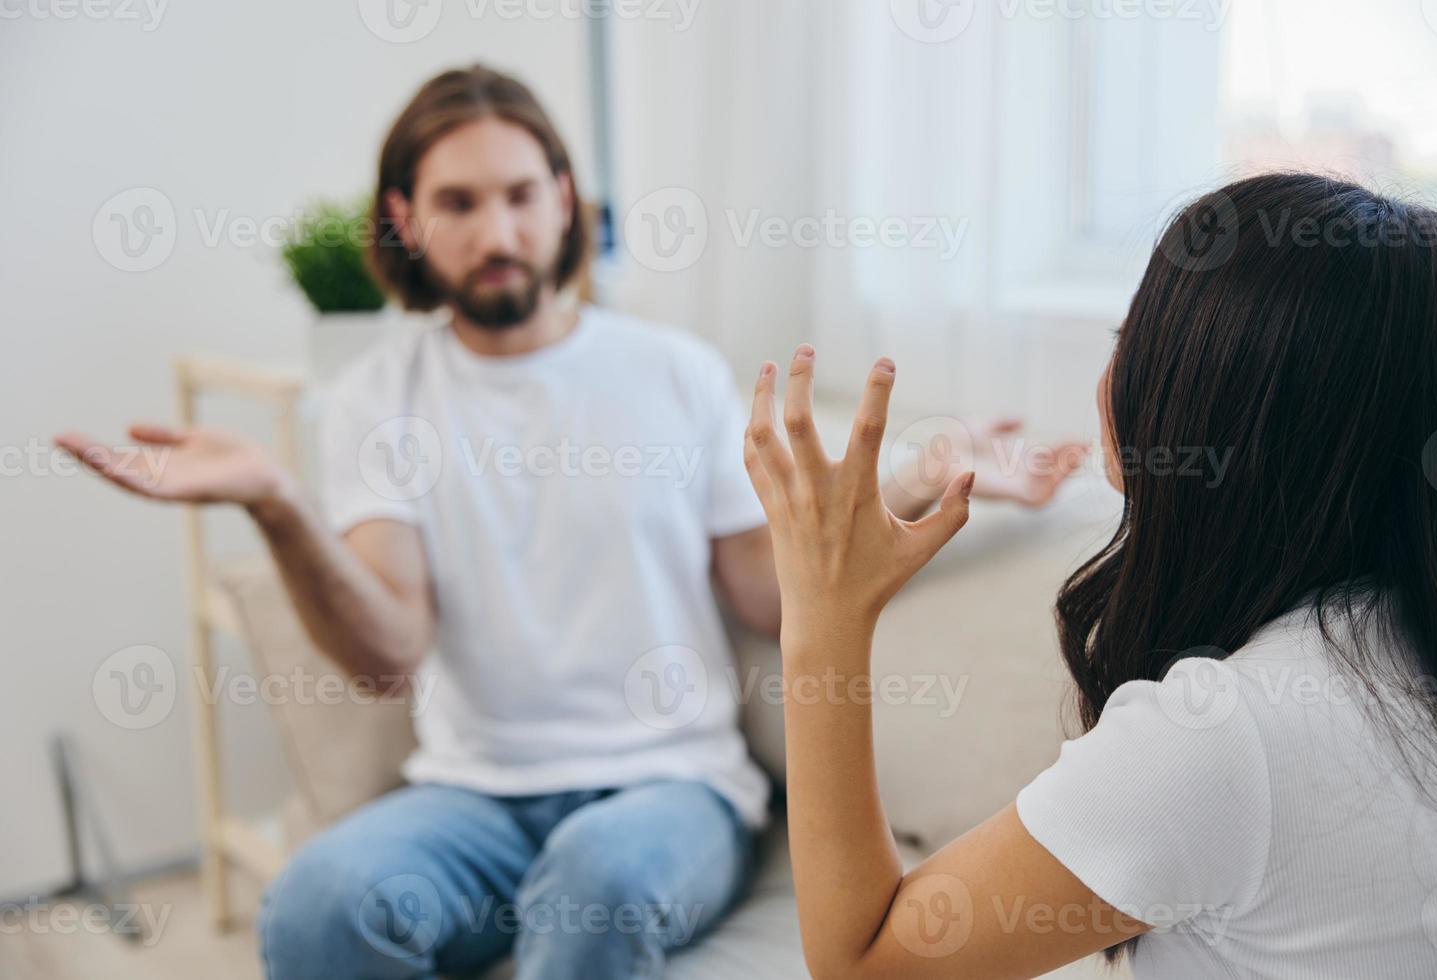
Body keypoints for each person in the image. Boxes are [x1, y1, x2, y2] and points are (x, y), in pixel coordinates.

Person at [53, 65, 1083, 979]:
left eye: (519, 195)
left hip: (670, 787)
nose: (497, 233)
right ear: (406, 220)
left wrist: (914, 478)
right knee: (320, 905)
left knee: (595, 887)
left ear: (564, 203)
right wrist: (275, 503)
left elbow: (772, 594)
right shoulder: (378, 397)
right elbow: (387, 652)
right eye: (459, 202)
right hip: (471, 795)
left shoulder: (673, 373)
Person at [745, 173, 1437, 978]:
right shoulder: (1418, 641)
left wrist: (822, 615)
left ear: (1204, 405)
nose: (1108, 379)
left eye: (1132, 340)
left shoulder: (1218, 737)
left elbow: (862, 967)